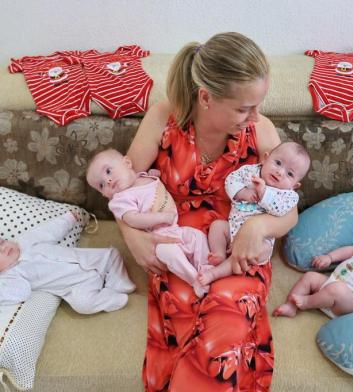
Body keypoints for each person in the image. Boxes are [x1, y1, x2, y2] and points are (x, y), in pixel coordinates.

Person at [119, 32, 298, 390]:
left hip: (236, 246)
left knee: (227, 325)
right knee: (186, 310)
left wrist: (259, 226)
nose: (255, 116)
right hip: (178, 246)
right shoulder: (164, 118)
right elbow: (124, 187)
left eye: (257, 105)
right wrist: (132, 237)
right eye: (244, 107)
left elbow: (289, 210)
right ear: (206, 98)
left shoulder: (260, 131)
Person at [86, 148, 210, 297]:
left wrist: (154, 175)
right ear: (103, 194)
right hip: (157, 240)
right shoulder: (120, 200)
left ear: (127, 162)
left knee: (198, 236)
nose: (108, 180)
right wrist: (161, 217)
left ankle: (205, 268)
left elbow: (153, 188)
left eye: (108, 171)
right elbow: (133, 219)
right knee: (169, 253)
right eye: (101, 185)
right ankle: (194, 278)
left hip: (176, 230)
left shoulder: (143, 177)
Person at [199, 141, 310, 286]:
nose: (280, 172)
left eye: (290, 174)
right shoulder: (249, 172)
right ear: (265, 158)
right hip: (232, 228)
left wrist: (263, 193)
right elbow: (231, 181)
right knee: (217, 226)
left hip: (257, 242)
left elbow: (280, 210)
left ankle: (216, 273)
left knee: (262, 250)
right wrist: (243, 192)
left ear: (294, 185)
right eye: (278, 163)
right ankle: (219, 253)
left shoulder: (288, 196)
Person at [0, 211, 135, 314]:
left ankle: (118, 282)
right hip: (77, 284)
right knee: (82, 305)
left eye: (2, 242)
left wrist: (68, 219)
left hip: (86, 259)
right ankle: (113, 298)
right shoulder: (11, 277)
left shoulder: (24, 241)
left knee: (111, 255)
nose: (4, 248)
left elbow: (48, 231)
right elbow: (20, 293)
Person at [273, 239, 353, 319]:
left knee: (337, 289)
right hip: (333, 281)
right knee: (310, 277)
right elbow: (351, 250)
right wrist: (330, 257)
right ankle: (291, 306)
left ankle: (306, 302)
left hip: (352, 303)